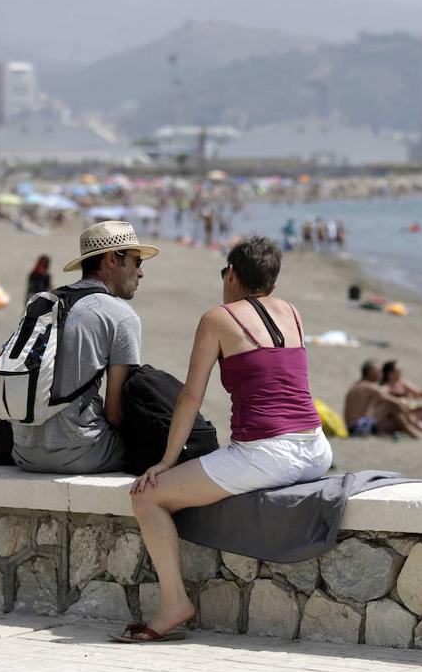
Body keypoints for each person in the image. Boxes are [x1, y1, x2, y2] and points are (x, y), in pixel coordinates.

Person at [124, 236, 333, 642]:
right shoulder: (292, 312)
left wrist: (168, 461)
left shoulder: (218, 318)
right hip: (316, 449)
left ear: (232, 274)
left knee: (146, 496)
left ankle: (174, 604)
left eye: (225, 272)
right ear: (272, 281)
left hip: (268, 454)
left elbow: (190, 396)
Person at [11, 222, 157, 472]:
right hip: (81, 451)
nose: (141, 273)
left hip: (23, 450)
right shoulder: (121, 315)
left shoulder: (42, 302)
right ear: (111, 259)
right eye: (137, 262)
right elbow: (115, 413)